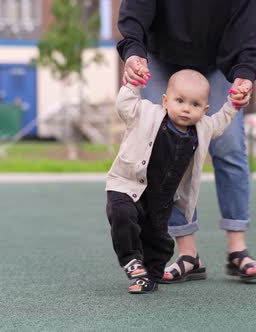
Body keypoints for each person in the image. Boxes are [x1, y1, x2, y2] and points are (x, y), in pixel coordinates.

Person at [117, 0, 256, 283]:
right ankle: (188, 254)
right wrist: (134, 52)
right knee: (168, 149)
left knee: (230, 145)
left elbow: (246, 34)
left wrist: (244, 76)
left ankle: (238, 250)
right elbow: (135, 13)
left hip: (218, 63)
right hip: (162, 57)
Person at [105, 66, 246, 294]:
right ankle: (131, 261)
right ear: (165, 100)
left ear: (205, 109)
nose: (186, 109)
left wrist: (233, 105)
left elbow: (220, 123)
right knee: (123, 216)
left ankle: (148, 276)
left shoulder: (202, 128)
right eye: (179, 101)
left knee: (159, 242)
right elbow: (124, 106)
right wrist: (133, 84)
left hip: (161, 199)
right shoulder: (146, 113)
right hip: (128, 184)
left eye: (195, 105)